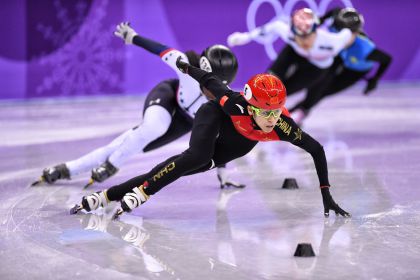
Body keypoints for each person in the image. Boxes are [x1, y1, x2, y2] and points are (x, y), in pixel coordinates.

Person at [70, 56, 351, 219]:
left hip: (240, 139)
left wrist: (326, 195)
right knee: (197, 156)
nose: (272, 119)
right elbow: (209, 80)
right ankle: (143, 193)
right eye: (266, 112)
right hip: (214, 116)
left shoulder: (283, 126)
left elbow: (317, 150)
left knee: (186, 165)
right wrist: (186, 67)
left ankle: (106, 195)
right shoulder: (234, 103)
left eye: (276, 111)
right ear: (251, 106)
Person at [32, 21, 243, 189]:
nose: (211, 91)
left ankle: (65, 170)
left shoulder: (222, 102)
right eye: (209, 83)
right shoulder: (185, 66)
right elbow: (161, 50)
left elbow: (217, 140)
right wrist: (133, 37)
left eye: (217, 87)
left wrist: (223, 176)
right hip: (168, 96)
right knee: (153, 128)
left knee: (130, 145)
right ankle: (112, 166)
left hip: (184, 122)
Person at [289, 8, 392, 123]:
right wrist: (321, 19)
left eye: (349, 34)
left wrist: (375, 79)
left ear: (356, 33)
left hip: (356, 69)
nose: (343, 36)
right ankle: (297, 111)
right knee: (317, 84)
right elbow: (335, 11)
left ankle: (299, 111)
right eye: (340, 32)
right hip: (340, 56)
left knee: (325, 91)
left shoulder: (364, 49)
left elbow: (387, 59)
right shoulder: (336, 23)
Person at [227, 8, 355, 95]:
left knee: (284, 92)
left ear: (316, 30)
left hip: (318, 65)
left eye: (307, 36)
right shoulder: (287, 33)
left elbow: (350, 33)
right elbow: (271, 27)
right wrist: (245, 37)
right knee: (267, 83)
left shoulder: (332, 42)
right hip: (294, 53)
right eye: (298, 36)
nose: (303, 41)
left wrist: (348, 21)